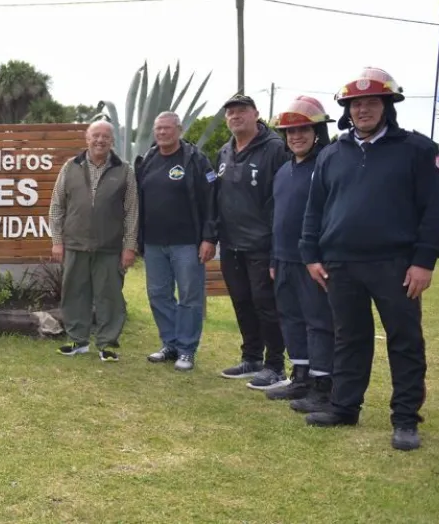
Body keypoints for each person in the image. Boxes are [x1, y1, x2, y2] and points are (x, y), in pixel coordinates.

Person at [300, 68, 439, 451]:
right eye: (355, 104)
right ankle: (345, 406)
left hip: (396, 264)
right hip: (340, 265)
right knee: (349, 338)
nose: (363, 110)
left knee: (404, 341)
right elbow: (315, 209)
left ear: (387, 106)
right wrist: (311, 254)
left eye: (371, 102)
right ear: (347, 111)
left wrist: (424, 260)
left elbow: (436, 209)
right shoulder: (332, 153)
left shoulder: (418, 149)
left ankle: (404, 420)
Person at [214, 94, 291, 389]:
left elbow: (281, 198)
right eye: (230, 112)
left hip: (263, 244)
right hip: (231, 243)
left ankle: (276, 366)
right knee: (242, 302)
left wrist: (276, 245)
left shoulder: (274, 149)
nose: (235, 116)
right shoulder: (224, 151)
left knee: (265, 304)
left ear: (256, 114)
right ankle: (252, 358)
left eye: (242, 111)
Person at [49, 120, 139, 362]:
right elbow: (57, 206)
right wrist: (57, 241)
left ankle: (107, 344)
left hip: (110, 247)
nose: (100, 140)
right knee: (74, 293)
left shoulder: (124, 170)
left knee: (109, 296)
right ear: (87, 139)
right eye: (95, 136)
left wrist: (129, 247)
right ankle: (78, 340)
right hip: (75, 244)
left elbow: (131, 212)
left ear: (112, 141)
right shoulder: (71, 167)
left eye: (105, 137)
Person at [266, 96, 336, 409]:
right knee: (291, 319)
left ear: (317, 131)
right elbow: (277, 218)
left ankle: (323, 385)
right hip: (282, 260)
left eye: (304, 130)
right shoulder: (283, 172)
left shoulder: (327, 166)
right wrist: (272, 259)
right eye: (290, 132)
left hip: (313, 262)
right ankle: (301, 377)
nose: (296, 136)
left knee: (318, 321)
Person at [137, 112, 217, 371]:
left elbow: (210, 200)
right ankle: (170, 343)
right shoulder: (148, 159)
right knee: (158, 295)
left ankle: (187, 349)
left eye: (167, 128)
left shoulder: (195, 159)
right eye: (158, 128)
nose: (162, 133)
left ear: (179, 129)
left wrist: (208, 237)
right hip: (153, 243)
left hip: (187, 243)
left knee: (189, 297)